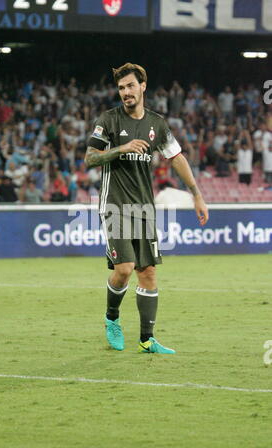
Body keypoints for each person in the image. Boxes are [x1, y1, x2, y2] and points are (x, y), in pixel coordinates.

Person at [84, 63, 209, 355]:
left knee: (149, 273)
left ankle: (147, 339)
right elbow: (90, 157)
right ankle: (112, 318)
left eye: (130, 86)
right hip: (115, 205)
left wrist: (197, 195)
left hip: (144, 208)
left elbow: (176, 157)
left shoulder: (157, 124)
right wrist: (121, 149)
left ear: (143, 86)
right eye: (121, 88)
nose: (125, 92)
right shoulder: (109, 120)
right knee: (124, 269)